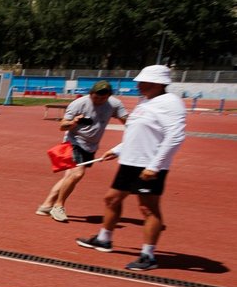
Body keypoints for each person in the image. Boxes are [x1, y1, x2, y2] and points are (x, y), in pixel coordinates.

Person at [77, 64, 187, 271]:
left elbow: (175, 137)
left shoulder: (171, 103)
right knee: (112, 199)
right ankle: (104, 239)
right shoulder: (146, 102)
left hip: (149, 165)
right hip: (130, 161)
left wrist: (155, 166)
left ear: (157, 83)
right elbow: (138, 132)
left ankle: (148, 255)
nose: (138, 85)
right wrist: (118, 149)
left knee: (148, 209)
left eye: (143, 82)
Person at [36, 80, 127, 222]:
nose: (99, 100)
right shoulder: (79, 104)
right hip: (74, 142)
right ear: (91, 93)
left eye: (103, 98)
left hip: (91, 146)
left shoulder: (114, 104)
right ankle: (58, 206)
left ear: (109, 96)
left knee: (69, 177)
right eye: (96, 97)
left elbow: (127, 121)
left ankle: (46, 206)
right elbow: (62, 126)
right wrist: (74, 122)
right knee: (77, 173)